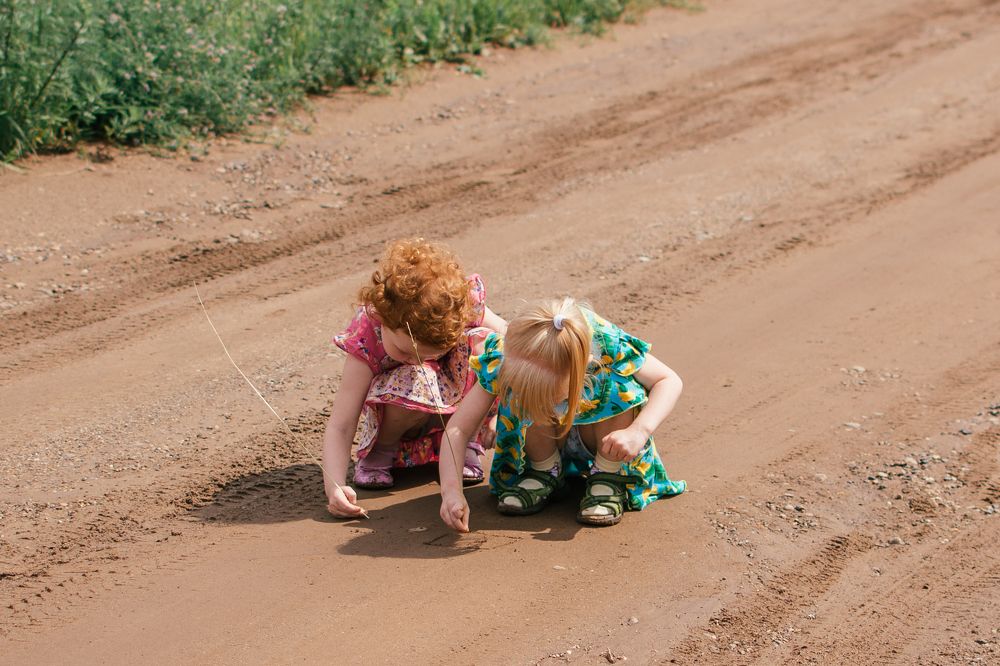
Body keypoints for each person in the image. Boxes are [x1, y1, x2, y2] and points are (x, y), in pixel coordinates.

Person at [437, 297, 685, 531]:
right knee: (525, 395)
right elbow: (457, 430)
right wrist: (451, 492)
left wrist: (638, 431)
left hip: (605, 441)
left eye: (554, 395)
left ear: (581, 368)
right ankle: (545, 470)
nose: (546, 403)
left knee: (621, 385)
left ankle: (608, 476)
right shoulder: (509, 356)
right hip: (546, 439)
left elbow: (669, 380)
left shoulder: (606, 344)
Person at [322, 239, 505, 518]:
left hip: (456, 416)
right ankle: (381, 452)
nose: (415, 358)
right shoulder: (370, 334)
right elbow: (341, 423)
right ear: (384, 318)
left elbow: (511, 342)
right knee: (415, 374)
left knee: (487, 346)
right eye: (405, 350)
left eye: (436, 352)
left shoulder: (463, 307)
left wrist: (499, 413)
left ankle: (464, 440)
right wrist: (334, 485)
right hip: (398, 419)